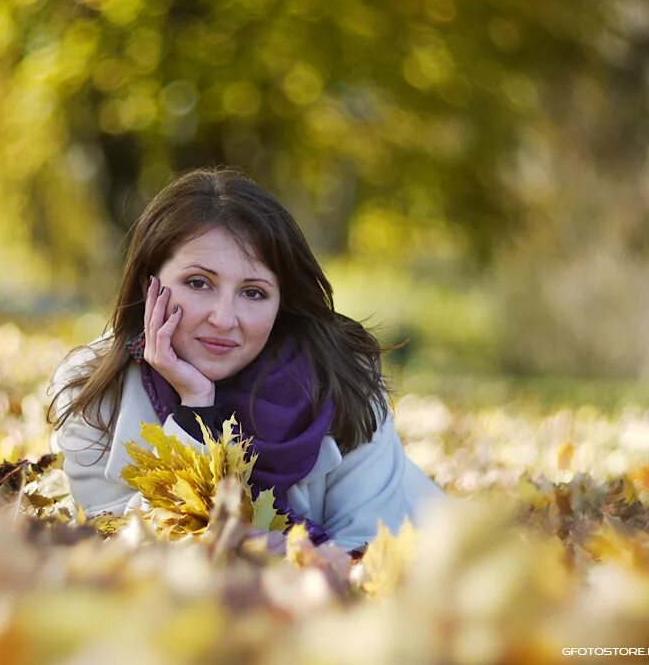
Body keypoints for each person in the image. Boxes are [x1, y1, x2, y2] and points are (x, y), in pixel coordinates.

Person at [49, 167, 444, 553]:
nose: (223, 318)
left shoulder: (342, 380)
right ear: (148, 284)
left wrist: (287, 559)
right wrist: (195, 410)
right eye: (199, 283)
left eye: (253, 292)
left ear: (281, 303)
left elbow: (371, 551)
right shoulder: (90, 391)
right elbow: (123, 548)